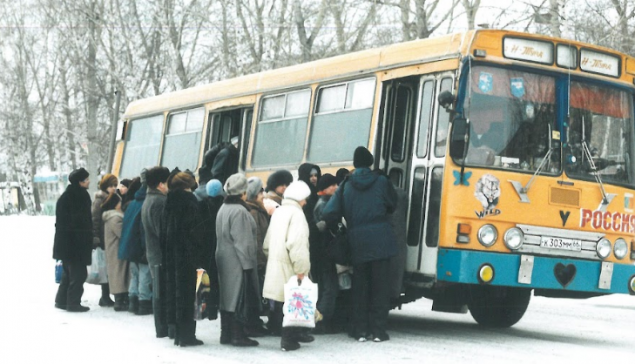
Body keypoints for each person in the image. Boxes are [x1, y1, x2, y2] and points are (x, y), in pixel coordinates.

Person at [322, 146, 398, 343]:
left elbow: (329, 212)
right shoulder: (382, 181)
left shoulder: (346, 184)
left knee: (360, 288)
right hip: (381, 240)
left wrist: (342, 225)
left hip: (357, 242)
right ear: (371, 162)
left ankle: (360, 331)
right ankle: (379, 332)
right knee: (380, 289)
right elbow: (393, 204)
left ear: (355, 164)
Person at [263, 181, 314, 351]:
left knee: (280, 302)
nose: (305, 202)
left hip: (275, 264)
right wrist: (301, 270)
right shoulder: (297, 215)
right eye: (304, 199)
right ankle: (289, 340)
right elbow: (297, 245)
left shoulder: (279, 212)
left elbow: (267, 244)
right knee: (293, 303)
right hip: (290, 266)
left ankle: (285, 335)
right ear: (299, 198)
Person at [215, 173, 261, 347]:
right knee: (238, 297)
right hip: (237, 260)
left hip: (223, 257)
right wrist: (248, 265)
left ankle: (225, 333)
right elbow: (243, 242)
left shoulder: (223, 208)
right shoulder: (240, 211)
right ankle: (237, 335)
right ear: (243, 192)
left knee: (226, 297)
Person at [164, 172, 205, 346]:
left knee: (175, 293)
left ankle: (177, 333)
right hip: (188, 255)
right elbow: (195, 231)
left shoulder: (169, 202)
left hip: (172, 255)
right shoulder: (191, 202)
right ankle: (188, 335)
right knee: (189, 295)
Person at [53, 168, 93, 312]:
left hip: (65, 243)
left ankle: (61, 300)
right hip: (76, 243)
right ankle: (73, 303)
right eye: (86, 179)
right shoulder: (80, 196)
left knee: (68, 273)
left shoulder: (66, 196)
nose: (89, 181)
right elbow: (82, 222)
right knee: (79, 274)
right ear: (80, 182)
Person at [141, 166, 171, 338]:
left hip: (153, 253)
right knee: (161, 292)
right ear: (161, 184)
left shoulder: (149, 199)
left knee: (159, 291)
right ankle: (163, 327)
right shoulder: (159, 202)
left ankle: (162, 327)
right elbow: (163, 232)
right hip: (160, 255)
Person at [119, 169, 151, 315]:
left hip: (129, 246)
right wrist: (146, 249)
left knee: (135, 275)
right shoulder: (146, 204)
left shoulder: (131, 204)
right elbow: (143, 229)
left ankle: (133, 302)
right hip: (140, 246)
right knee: (144, 275)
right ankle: (144, 304)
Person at [312, 173, 340, 334]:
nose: (336, 188)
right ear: (325, 188)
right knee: (329, 287)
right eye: (332, 185)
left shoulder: (324, 202)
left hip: (323, 252)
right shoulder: (323, 205)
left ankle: (322, 319)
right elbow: (323, 228)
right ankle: (321, 321)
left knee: (326, 286)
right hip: (325, 252)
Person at [244, 177, 270, 335]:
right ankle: (252, 324)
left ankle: (255, 322)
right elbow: (257, 239)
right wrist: (261, 261)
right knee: (254, 293)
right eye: (261, 191)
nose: (264, 194)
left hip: (258, 259)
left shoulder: (257, 209)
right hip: (257, 260)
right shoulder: (254, 212)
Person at [92, 173, 119, 307]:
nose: (114, 188)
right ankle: (104, 295)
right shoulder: (99, 200)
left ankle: (106, 295)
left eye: (115, 185)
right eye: (111, 185)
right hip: (103, 238)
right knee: (104, 268)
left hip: (109, 237)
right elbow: (95, 220)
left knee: (108, 268)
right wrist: (96, 237)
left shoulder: (113, 197)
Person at [101, 192, 129, 312]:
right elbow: (122, 234)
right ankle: (119, 301)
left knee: (118, 274)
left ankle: (120, 299)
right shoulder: (115, 218)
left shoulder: (111, 216)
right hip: (117, 250)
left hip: (114, 250)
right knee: (119, 275)